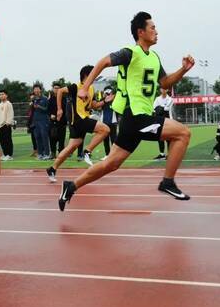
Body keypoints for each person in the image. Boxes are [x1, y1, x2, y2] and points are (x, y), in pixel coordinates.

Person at [58, 12, 195, 210]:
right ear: (141, 32)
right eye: (152, 28)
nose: (156, 32)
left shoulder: (154, 57)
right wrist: (84, 87)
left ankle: (70, 186)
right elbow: (103, 62)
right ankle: (168, 181)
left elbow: (165, 82)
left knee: (111, 164)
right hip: (136, 117)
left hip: (139, 119)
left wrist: (183, 70)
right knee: (183, 133)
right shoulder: (131, 52)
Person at [46, 65, 111, 182]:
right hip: (78, 119)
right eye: (93, 74)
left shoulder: (91, 89)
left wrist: (104, 101)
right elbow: (60, 91)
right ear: (86, 75)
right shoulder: (76, 86)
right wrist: (59, 109)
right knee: (105, 129)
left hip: (83, 119)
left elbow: (93, 105)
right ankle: (87, 151)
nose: (95, 76)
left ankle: (52, 168)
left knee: (71, 147)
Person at [47, 83, 68, 158]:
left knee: (61, 139)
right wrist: (50, 115)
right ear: (52, 89)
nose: (56, 89)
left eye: (58, 88)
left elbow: (66, 110)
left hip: (62, 122)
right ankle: (52, 153)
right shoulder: (50, 99)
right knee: (52, 138)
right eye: (55, 88)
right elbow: (47, 110)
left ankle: (61, 153)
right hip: (53, 122)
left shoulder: (64, 99)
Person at [152, 88, 173, 160]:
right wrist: (161, 107)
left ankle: (170, 154)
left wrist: (159, 107)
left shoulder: (170, 99)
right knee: (160, 137)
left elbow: (167, 109)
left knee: (168, 138)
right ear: (160, 90)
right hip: (159, 120)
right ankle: (162, 154)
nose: (163, 90)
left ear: (167, 90)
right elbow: (154, 108)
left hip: (168, 120)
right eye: (162, 89)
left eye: (165, 89)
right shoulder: (157, 98)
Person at [32, 84, 51, 159]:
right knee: (37, 137)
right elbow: (32, 111)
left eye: (37, 89)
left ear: (40, 90)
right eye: (34, 89)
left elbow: (47, 110)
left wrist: (39, 106)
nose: (36, 90)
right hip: (36, 121)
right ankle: (40, 153)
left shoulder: (45, 98)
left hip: (44, 120)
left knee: (44, 137)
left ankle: (47, 154)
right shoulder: (33, 99)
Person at [100, 86, 118, 160]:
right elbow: (98, 107)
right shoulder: (103, 100)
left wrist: (112, 97)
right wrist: (104, 98)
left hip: (113, 122)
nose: (107, 93)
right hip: (104, 122)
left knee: (113, 139)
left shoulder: (115, 99)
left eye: (108, 92)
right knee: (105, 139)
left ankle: (114, 155)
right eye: (106, 92)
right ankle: (107, 155)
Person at [0, 90, 14, 160]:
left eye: (3, 94)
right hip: (0, 125)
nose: (1, 96)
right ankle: (5, 154)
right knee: (2, 141)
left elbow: (11, 114)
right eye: (0, 94)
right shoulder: (0, 104)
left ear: (6, 95)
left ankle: (9, 155)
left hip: (6, 125)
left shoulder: (8, 103)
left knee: (8, 140)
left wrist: (8, 123)